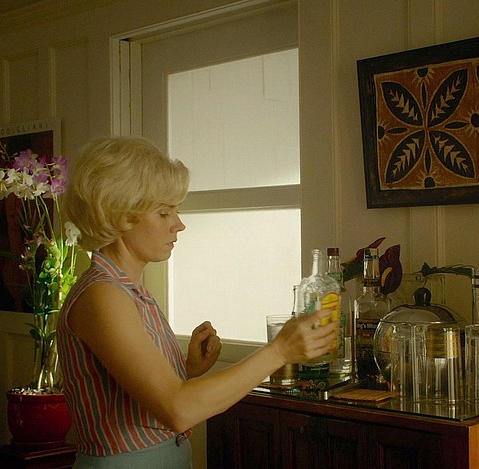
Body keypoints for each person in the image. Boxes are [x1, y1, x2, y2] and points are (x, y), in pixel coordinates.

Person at [57, 136, 338, 467]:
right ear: (119, 215)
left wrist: (186, 370)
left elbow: (135, 395)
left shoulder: (128, 290)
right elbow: (178, 409)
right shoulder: (103, 295)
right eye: (164, 213)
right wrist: (280, 350)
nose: (179, 224)